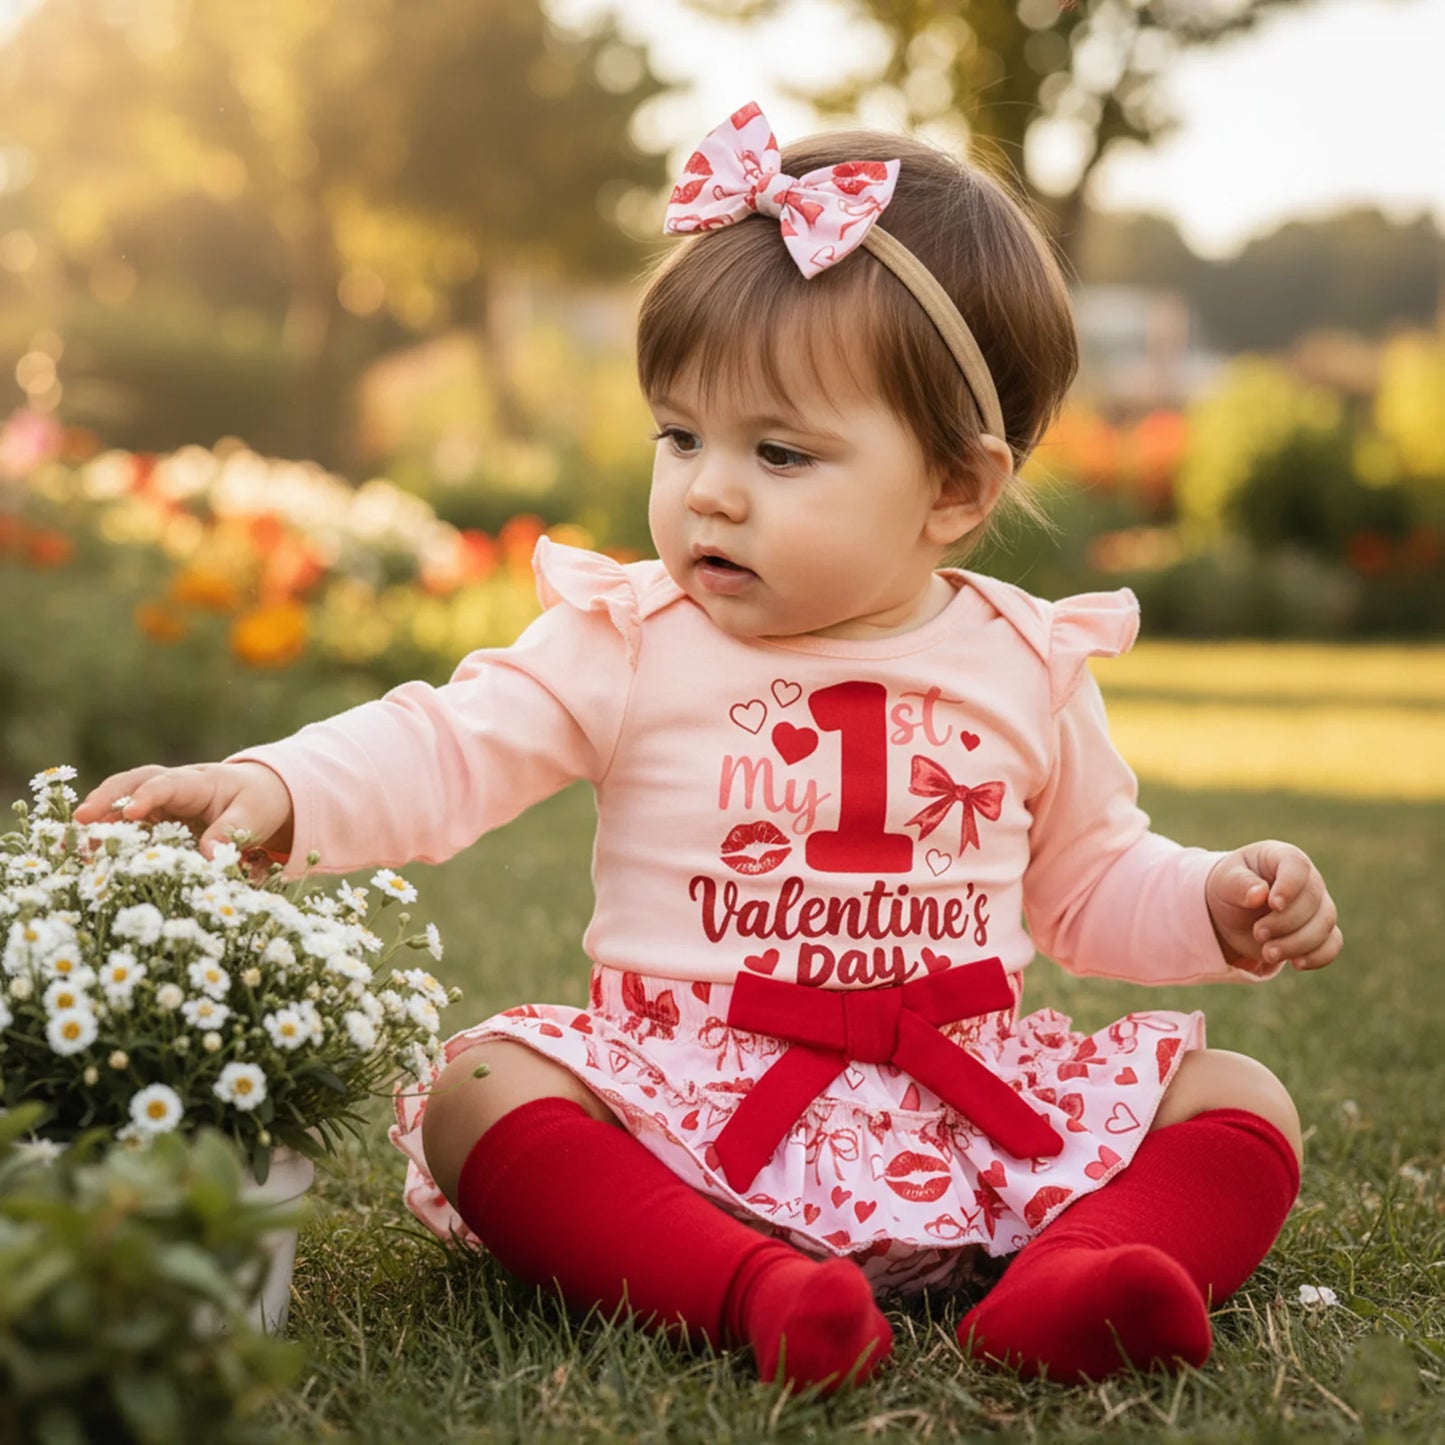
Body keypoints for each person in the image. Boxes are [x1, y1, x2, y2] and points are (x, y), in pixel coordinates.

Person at [75, 103, 1342, 1392]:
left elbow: (1086, 882)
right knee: (476, 1082)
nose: (708, 491)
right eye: (679, 436)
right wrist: (275, 785)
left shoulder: (1028, 660)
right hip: (693, 1113)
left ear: (956, 490)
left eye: (779, 452)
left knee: (1238, 1095)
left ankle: (1083, 1278)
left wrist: (1211, 899)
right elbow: (450, 742)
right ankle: (757, 1294)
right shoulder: (632, 638)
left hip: (961, 1107)